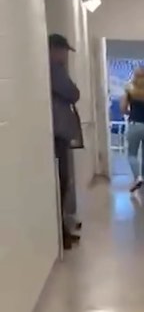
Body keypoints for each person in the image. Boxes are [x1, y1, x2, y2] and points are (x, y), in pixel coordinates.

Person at [48, 33, 83, 249]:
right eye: (63, 51)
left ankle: (63, 230)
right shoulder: (54, 69)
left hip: (59, 132)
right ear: (54, 49)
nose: (65, 56)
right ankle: (61, 233)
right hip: (58, 133)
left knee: (62, 182)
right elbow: (73, 92)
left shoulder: (54, 68)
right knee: (60, 182)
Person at [121, 66, 144, 193]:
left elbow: (123, 107)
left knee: (132, 154)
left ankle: (137, 177)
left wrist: (130, 113)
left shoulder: (129, 89)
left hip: (134, 124)